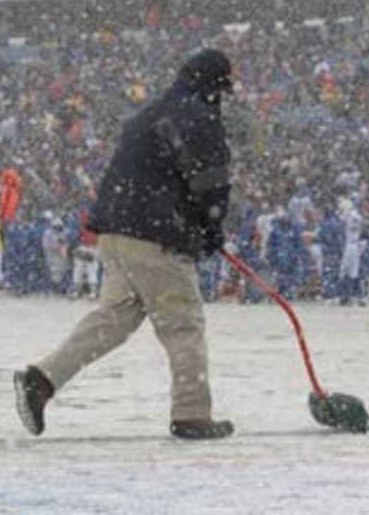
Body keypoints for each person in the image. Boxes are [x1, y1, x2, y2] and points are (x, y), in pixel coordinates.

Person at [14, 48, 236, 440]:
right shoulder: (198, 117)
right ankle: (192, 414)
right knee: (183, 325)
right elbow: (210, 182)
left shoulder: (149, 113)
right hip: (157, 235)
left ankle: (42, 379)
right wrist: (212, 227)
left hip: (115, 232)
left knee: (112, 320)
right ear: (216, 86)